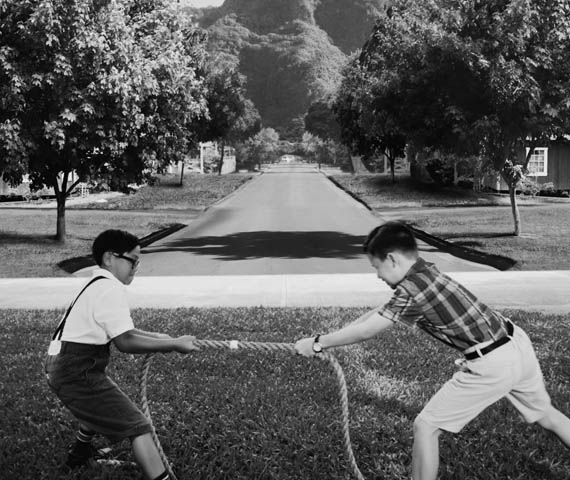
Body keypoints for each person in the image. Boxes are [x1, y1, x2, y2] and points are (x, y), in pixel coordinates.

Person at [295, 221, 570, 480]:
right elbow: (377, 313)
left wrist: (319, 342)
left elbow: (369, 330)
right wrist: (323, 338)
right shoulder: (424, 271)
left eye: (377, 267)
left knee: (426, 427)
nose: (378, 275)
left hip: (493, 363)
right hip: (515, 342)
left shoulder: (413, 291)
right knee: (546, 414)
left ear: (392, 259)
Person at [45, 229, 198, 480]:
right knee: (138, 426)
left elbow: (124, 330)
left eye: (139, 261)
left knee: (97, 404)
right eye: (132, 260)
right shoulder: (109, 288)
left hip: (64, 366)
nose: (136, 267)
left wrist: (161, 337)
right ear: (109, 258)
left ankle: (79, 455)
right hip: (75, 371)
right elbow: (125, 341)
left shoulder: (96, 283)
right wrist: (173, 345)